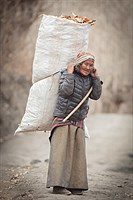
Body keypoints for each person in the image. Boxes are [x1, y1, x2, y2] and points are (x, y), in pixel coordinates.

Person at [46, 51, 103, 195]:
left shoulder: (90, 78)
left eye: (91, 65)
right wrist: (70, 73)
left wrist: (96, 78)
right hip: (63, 118)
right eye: (86, 64)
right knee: (60, 153)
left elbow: (96, 95)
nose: (88, 67)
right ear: (79, 64)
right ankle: (57, 186)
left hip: (78, 120)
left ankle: (76, 185)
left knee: (77, 153)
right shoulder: (66, 73)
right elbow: (65, 91)